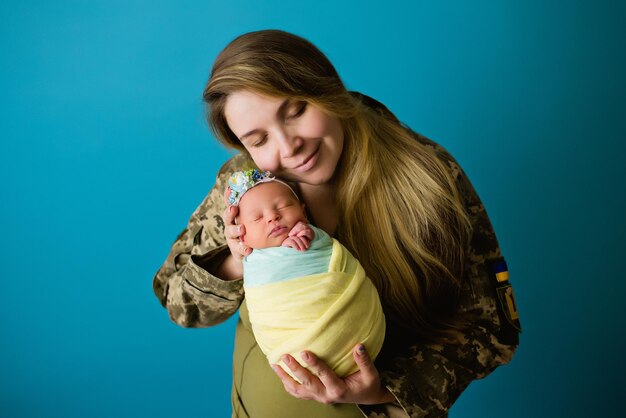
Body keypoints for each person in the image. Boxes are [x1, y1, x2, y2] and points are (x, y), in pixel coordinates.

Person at [153, 29, 521, 418]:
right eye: (259, 140)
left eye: (296, 111)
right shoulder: (243, 190)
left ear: (327, 87)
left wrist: (386, 390)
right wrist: (237, 259)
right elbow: (176, 302)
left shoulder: (428, 176)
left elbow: (492, 329)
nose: (287, 146)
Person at [227, 168, 385, 379]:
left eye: (283, 206)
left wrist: (312, 241)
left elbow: (325, 250)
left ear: (304, 211)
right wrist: (236, 263)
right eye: (257, 218)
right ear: (241, 235)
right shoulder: (255, 262)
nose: (273, 217)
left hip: (361, 337)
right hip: (292, 358)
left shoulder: (309, 235)